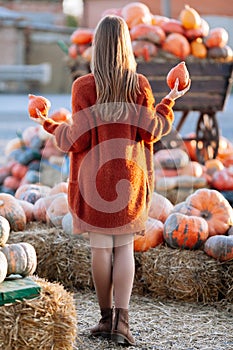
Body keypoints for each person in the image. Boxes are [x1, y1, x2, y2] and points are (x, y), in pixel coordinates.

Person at [30, 15, 190, 347]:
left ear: (97, 48)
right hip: (128, 181)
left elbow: (75, 139)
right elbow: (152, 131)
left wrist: (48, 123)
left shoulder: (83, 87)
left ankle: (105, 318)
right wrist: (170, 99)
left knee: (100, 251)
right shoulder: (139, 85)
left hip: (94, 183)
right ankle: (122, 323)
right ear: (127, 47)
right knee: (124, 249)